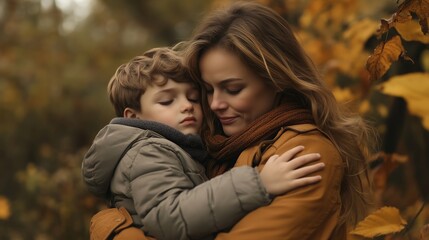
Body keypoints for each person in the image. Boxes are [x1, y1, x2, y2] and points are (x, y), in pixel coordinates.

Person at [82, 47, 325, 240]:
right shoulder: (148, 152)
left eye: (193, 97)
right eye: (167, 101)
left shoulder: (179, 150)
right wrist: (258, 183)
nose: (187, 105)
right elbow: (171, 217)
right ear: (133, 117)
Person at [180, 1, 374, 239]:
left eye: (232, 89)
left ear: (276, 79)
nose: (214, 104)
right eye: (208, 89)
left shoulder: (307, 153)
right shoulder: (210, 150)